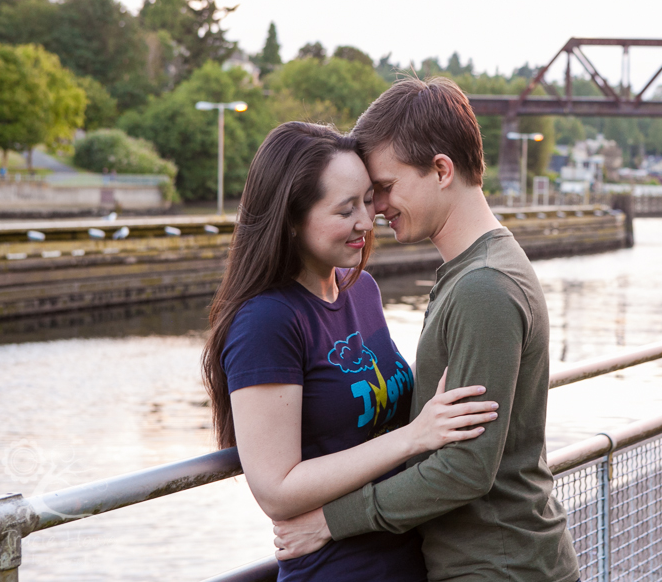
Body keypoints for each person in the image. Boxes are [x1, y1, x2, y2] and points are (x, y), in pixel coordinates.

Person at [273, 78, 581, 582]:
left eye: (385, 189)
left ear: (441, 170)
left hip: (499, 567)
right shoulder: (477, 270)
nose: (375, 211)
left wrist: (329, 522)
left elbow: (465, 469)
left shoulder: (483, 287)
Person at [201, 122, 500, 582]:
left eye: (367, 199)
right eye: (345, 210)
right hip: (338, 568)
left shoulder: (362, 290)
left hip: (415, 557)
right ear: (291, 219)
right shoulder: (267, 321)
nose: (367, 219)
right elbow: (276, 490)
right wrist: (414, 436)